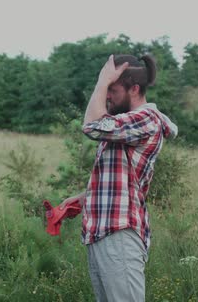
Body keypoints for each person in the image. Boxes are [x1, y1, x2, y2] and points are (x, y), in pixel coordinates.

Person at [60, 54, 178, 301]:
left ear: (134, 89)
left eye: (112, 89)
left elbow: (91, 126)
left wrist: (102, 81)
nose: (106, 96)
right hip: (104, 234)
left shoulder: (146, 119)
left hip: (120, 235)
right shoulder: (124, 124)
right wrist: (82, 199)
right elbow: (122, 180)